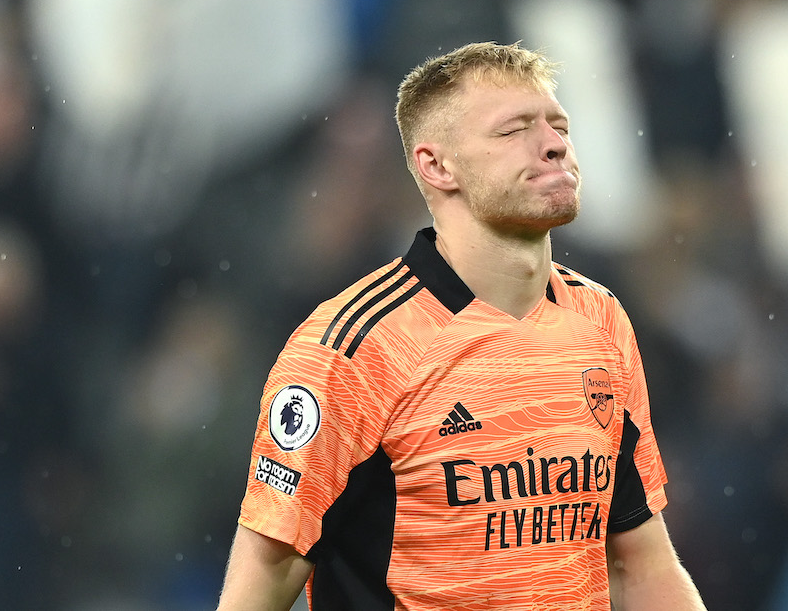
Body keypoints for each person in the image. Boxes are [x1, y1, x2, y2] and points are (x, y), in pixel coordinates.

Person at [215, 42, 707, 610]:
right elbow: (264, 578)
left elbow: (641, 565)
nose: (553, 144)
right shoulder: (352, 349)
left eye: (557, 125)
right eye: (513, 130)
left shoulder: (600, 319)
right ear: (437, 166)